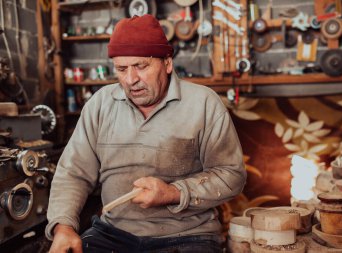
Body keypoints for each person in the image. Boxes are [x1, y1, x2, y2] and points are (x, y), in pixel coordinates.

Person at [46, 14, 246, 253]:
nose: (131, 80)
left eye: (141, 66)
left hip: (188, 235)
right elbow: (73, 173)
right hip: (112, 234)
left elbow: (232, 175)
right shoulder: (100, 104)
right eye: (122, 69)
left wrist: (173, 193)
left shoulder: (203, 103)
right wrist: (63, 226)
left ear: (167, 63)